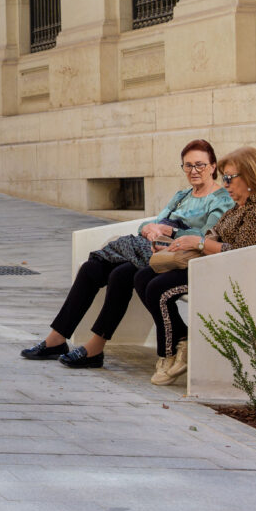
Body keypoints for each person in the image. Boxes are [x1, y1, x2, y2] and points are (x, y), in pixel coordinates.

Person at [21, 139, 234, 369]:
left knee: (121, 275)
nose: (194, 171)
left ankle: (95, 347)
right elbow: (150, 223)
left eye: (200, 165)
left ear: (213, 166)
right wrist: (150, 229)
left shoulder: (221, 199)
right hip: (151, 249)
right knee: (91, 268)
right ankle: (57, 338)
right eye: (188, 165)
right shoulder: (182, 195)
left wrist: (170, 230)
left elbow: (206, 236)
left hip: (177, 257)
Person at [137, 146, 256, 386]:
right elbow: (216, 233)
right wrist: (184, 242)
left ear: (250, 176)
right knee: (143, 276)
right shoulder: (244, 204)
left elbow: (240, 254)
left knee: (158, 289)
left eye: (229, 177)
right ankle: (181, 340)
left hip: (231, 277)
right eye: (224, 178)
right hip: (214, 268)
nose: (225, 184)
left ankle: (169, 353)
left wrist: (199, 243)